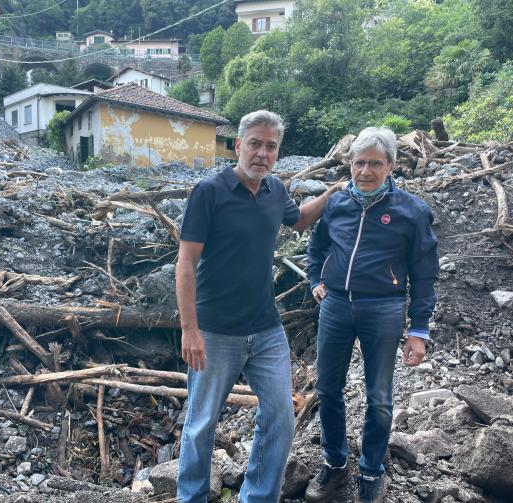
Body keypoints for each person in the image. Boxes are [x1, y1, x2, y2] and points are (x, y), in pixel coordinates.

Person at [175, 110, 344, 503]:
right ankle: (191, 497)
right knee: (201, 424)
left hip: (266, 328)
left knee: (281, 417)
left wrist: (332, 194)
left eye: (271, 147)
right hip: (215, 330)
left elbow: (298, 220)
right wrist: (189, 329)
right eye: (255, 143)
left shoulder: (275, 191)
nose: (263, 154)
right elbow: (185, 262)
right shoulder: (209, 192)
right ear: (238, 145)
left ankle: (258, 497)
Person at [304, 127, 439, 503]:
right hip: (335, 306)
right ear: (349, 163)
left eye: (374, 164)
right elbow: (316, 245)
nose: (365, 171)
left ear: (391, 166)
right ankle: (334, 461)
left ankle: (371, 469)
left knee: (379, 397)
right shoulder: (337, 203)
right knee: (328, 388)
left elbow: (425, 274)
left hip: (384, 309)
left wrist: (420, 330)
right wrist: (315, 277)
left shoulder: (411, 212)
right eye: (359, 162)